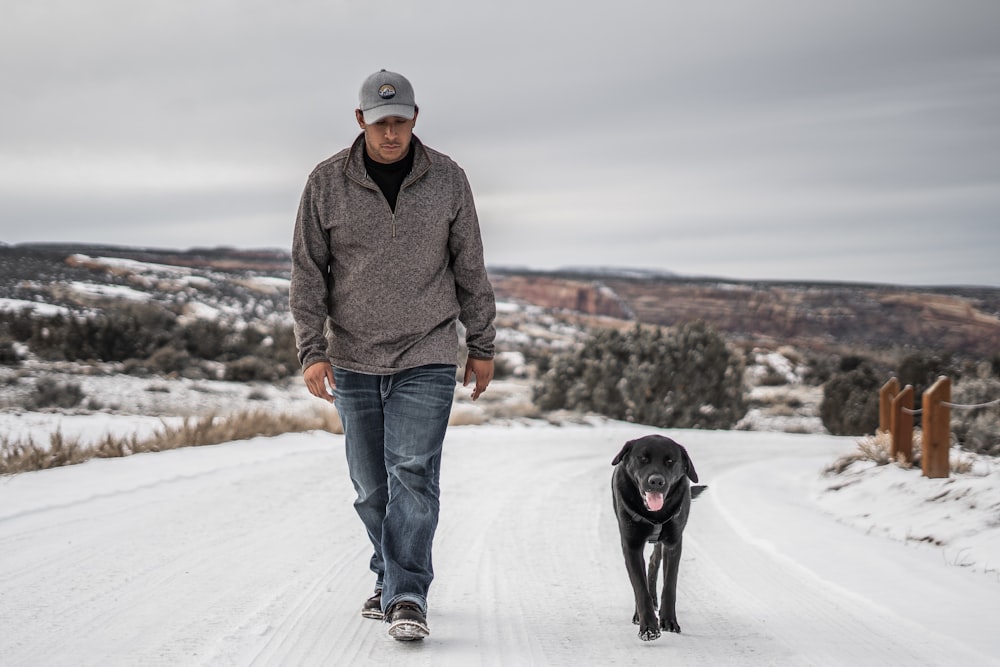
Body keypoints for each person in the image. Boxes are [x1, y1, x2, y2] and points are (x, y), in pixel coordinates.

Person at [289, 69, 496, 642]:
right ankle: (388, 573)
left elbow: (470, 266)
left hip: (427, 349)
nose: (390, 133)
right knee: (370, 486)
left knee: (412, 473)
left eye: (400, 121)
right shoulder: (326, 183)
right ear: (360, 120)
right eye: (380, 122)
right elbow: (308, 275)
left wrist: (481, 344)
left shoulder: (448, 179)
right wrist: (312, 350)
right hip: (352, 355)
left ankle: (407, 595)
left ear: (414, 118)